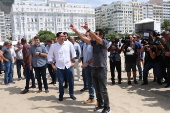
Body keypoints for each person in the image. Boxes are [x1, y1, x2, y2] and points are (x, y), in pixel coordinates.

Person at [70, 22, 110, 113]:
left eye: (97, 34)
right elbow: (83, 38)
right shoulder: (94, 43)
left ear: (101, 36)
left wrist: (88, 29)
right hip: (94, 69)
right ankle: (100, 104)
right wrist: (75, 30)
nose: (94, 35)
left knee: (103, 89)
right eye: (94, 33)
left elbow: (96, 38)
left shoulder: (104, 42)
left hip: (101, 69)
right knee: (97, 89)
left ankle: (107, 107)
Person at [48, 32, 77, 101]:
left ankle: (71, 94)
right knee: (60, 82)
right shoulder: (53, 46)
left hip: (68, 66)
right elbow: (49, 56)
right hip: (59, 67)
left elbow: (73, 53)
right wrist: (52, 65)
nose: (63, 37)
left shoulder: (69, 44)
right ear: (57, 38)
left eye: (64, 36)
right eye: (61, 36)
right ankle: (61, 95)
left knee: (71, 81)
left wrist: (73, 62)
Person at [80, 32, 95, 104]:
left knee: (95, 84)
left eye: (86, 36)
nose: (85, 37)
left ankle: (99, 100)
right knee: (89, 83)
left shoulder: (93, 45)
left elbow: (96, 57)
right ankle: (91, 98)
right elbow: (83, 56)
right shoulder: (84, 45)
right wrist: (83, 64)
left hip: (93, 66)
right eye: (84, 36)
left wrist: (88, 63)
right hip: (86, 66)